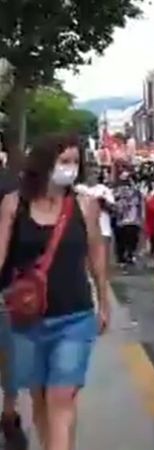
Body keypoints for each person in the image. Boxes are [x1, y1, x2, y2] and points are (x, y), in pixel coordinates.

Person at [0, 134, 108, 450]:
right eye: (64, 161)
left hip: (74, 316)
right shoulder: (13, 205)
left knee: (61, 397)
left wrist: (103, 301)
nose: (70, 169)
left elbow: (96, 253)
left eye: (75, 162)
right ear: (45, 163)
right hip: (26, 320)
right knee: (39, 397)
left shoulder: (84, 205)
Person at [0, 158, 26, 449]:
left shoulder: (10, 185)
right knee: (8, 357)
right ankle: (9, 415)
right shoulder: (13, 184)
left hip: (7, 287)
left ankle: (9, 415)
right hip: (9, 286)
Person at [112, 168, 144, 266]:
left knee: (130, 240)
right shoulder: (116, 191)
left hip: (132, 220)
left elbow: (140, 204)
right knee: (122, 240)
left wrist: (141, 217)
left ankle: (129, 255)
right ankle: (123, 257)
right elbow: (113, 203)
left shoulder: (136, 192)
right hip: (121, 220)